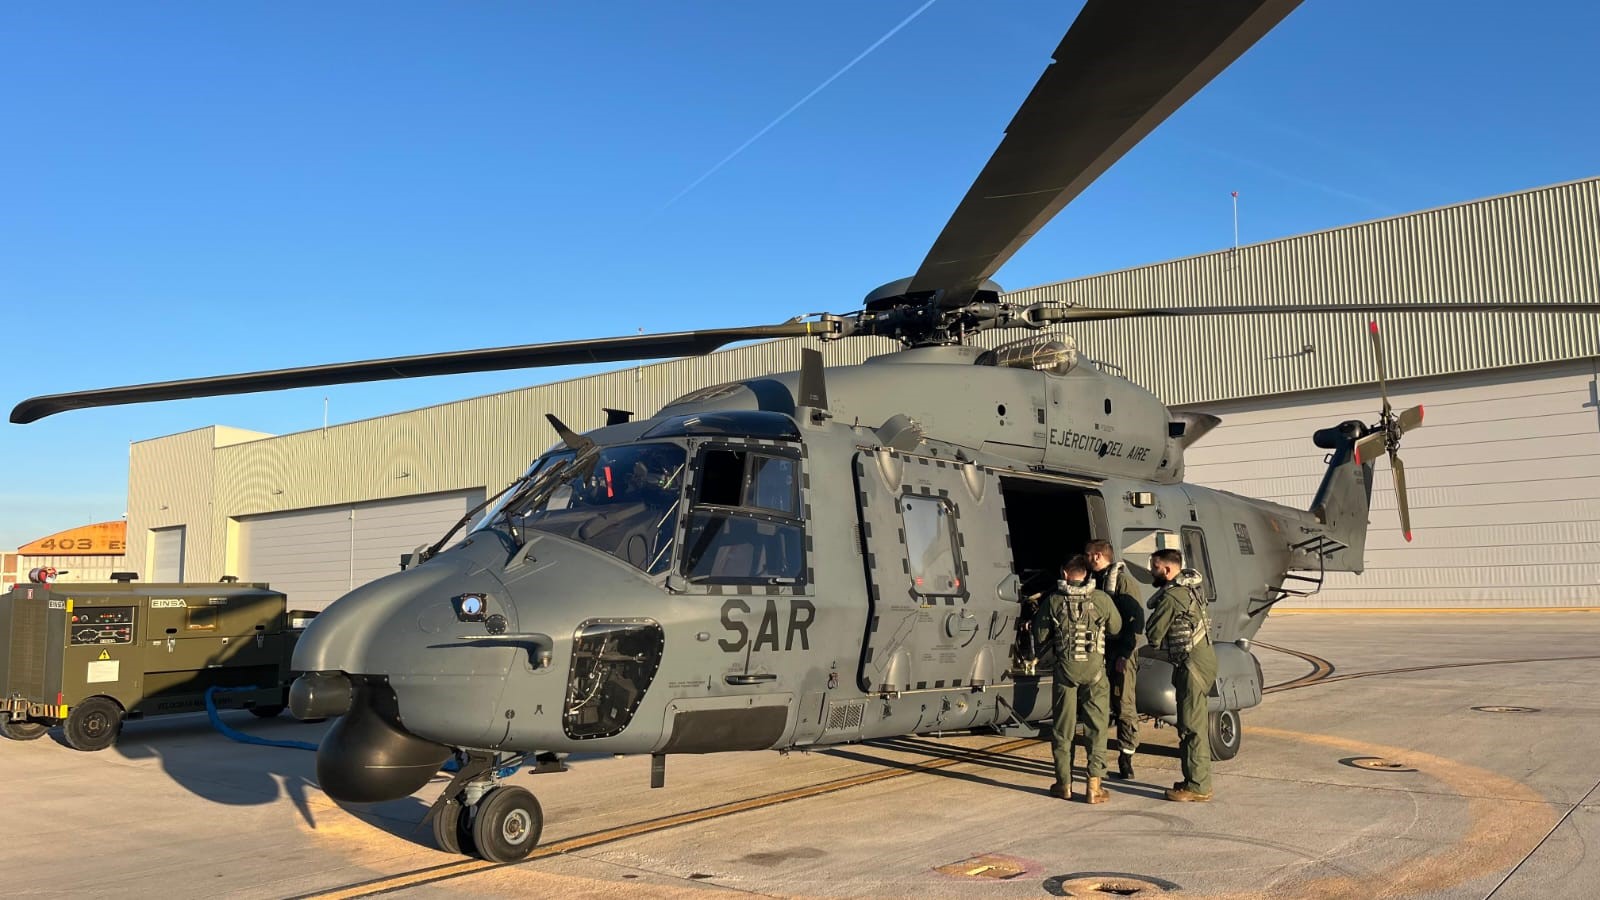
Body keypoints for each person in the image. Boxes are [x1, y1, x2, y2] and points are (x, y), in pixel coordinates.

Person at [1033, 555, 1122, 804]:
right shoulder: (1102, 599)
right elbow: (1116, 628)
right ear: (1087, 573)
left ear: (1064, 573)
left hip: (1064, 673)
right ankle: (1094, 786)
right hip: (1095, 672)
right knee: (1096, 728)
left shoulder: (1053, 601)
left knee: (1063, 729)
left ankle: (1064, 784)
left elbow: (1040, 636)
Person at [1145, 547, 1217, 802]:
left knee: (1191, 727)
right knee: (1191, 723)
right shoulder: (1191, 589)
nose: (1151, 571)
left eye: (1154, 567)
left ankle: (1198, 786)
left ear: (1167, 569)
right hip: (1199, 661)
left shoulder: (1173, 596)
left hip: (1192, 665)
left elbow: (1153, 633)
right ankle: (1192, 779)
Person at [1086, 538, 1143, 780]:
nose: (1086, 560)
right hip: (1100, 650)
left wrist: (1124, 654)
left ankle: (1126, 758)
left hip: (1121, 652)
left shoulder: (1123, 582)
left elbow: (1135, 623)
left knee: (1124, 703)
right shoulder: (1094, 582)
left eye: (1088, 555)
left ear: (1097, 556)